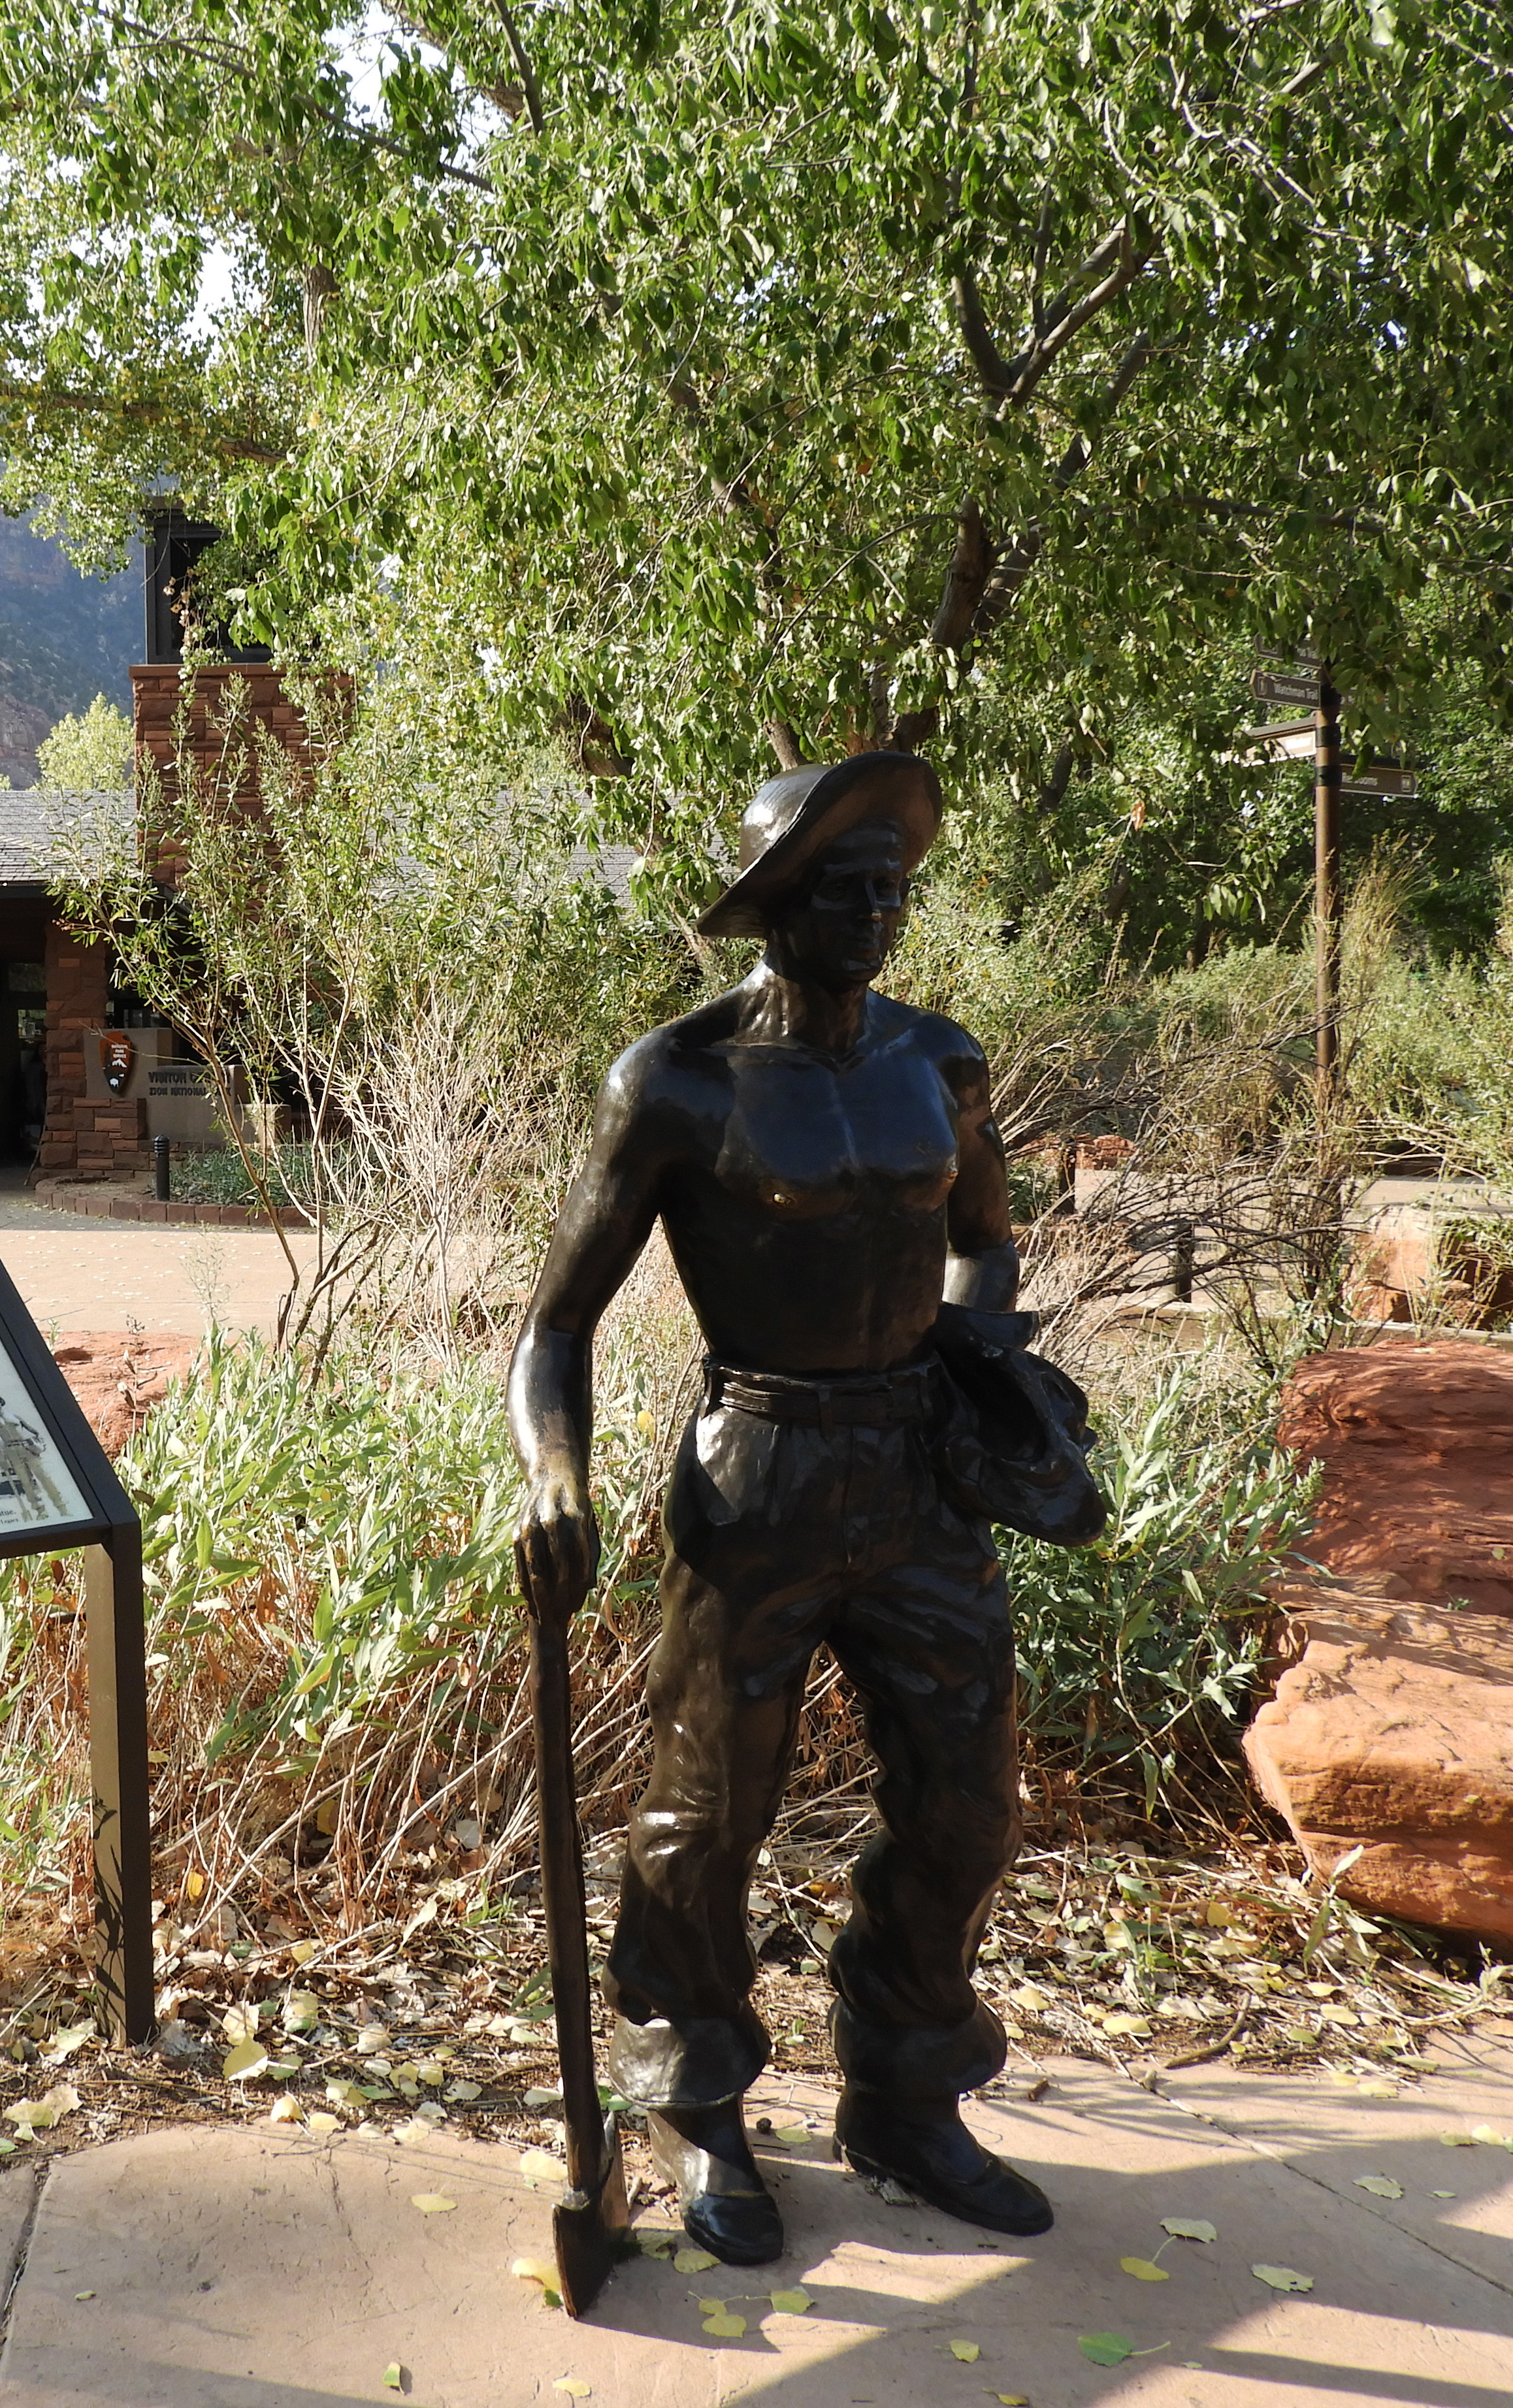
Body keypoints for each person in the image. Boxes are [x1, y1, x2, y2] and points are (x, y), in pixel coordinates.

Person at [509, 752, 1106, 2268]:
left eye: (890, 882)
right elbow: (554, 1326)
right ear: (773, 903)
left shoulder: (939, 1065)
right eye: (839, 884)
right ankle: (694, 2099)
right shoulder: (678, 1078)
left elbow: (982, 1246)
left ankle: (906, 2090)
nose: (872, 908)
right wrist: (551, 1476)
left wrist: (977, 1358)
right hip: (752, 1468)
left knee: (967, 1802)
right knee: (701, 1821)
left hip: (915, 1473)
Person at [0, 1389, 57, 1518]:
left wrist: (38, 1443)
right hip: (11, 1451)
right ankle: (40, 1510)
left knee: (43, 1476)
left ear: (0, 1400)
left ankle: (60, 1503)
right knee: (26, 1482)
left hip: (26, 1446)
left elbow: (34, 1431)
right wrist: (1, 1458)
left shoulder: (14, 1416)